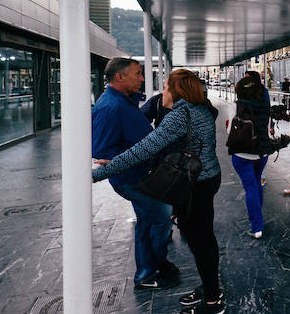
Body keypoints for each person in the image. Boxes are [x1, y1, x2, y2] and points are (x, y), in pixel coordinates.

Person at [93, 69, 225, 314]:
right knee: (204, 237)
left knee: (200, 240)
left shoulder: (180, 115)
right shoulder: (202, 109)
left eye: (165, 87)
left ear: (177, 91)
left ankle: (212, 301)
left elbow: (144, 150)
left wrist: (97, 174)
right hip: (208, 178)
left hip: (194, 184)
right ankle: (211, 287)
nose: (162, 91)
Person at [91, 57, 179, 290]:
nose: (142, 79)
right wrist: (140, 154)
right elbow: (102, 151)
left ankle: (147, 272)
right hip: (132, 179)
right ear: (120, 77)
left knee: (148, 221)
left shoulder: (125, 101)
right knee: (161, 219)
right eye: (138, 74)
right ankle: (153, 268)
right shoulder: (110, 107)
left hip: (142, 176)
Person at [229, 72, 271, 238]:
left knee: (250, 188)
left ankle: (257, 226)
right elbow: (267, 129)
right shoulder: (265, 106)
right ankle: (257, 216)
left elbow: (229, 130)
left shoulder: (237, 106)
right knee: (256, 184)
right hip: (262, 153)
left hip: (242, 155)